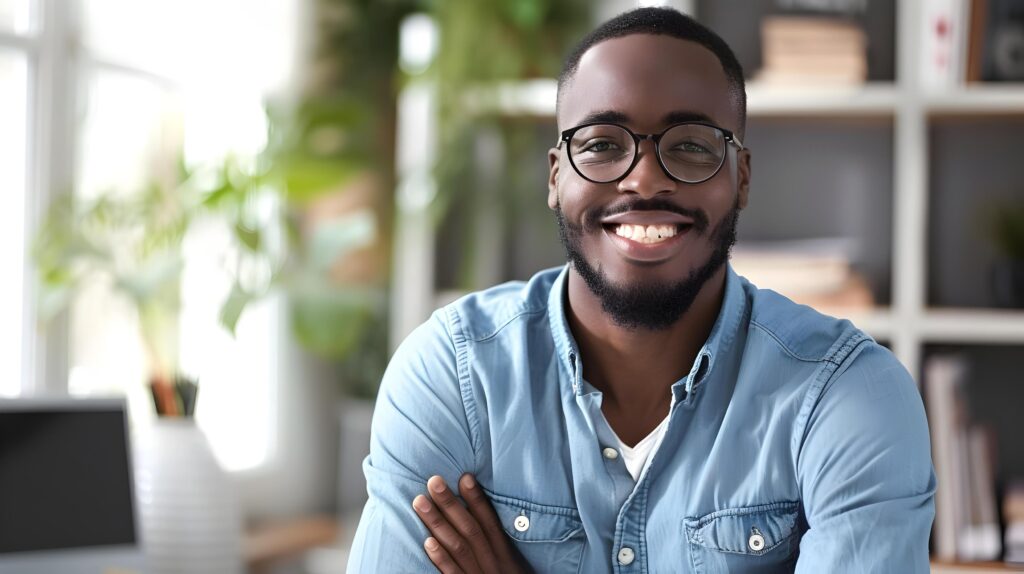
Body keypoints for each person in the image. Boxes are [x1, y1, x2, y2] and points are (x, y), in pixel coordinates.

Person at [347, 7, 935, 573]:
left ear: (742, 178)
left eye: (690, 145)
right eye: (602, 144)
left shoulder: (847, 395)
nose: (645, 178)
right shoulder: (454, 373)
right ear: (556, 176)